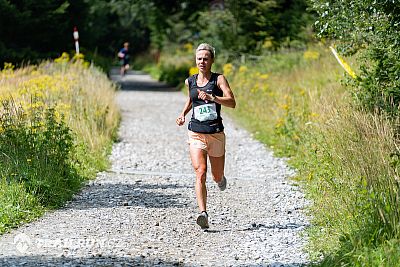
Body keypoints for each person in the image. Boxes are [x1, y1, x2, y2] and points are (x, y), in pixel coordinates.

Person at [176, 43, 236, 229]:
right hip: (196, 133)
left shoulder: (219, 80)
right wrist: (183, 114)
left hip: (215, 134)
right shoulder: (190, 81)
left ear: (212, 61)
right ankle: (203, 213)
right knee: (200, 172)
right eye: (199, 58)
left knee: (216, 176)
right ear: (196, 60)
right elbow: (191, 99)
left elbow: (232, 102)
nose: (202, 61)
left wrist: (213, 98)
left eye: (205, 58)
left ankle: (220, 178)